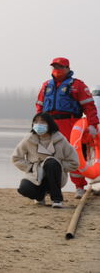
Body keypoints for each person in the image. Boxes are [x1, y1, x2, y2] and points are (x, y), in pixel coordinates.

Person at [35, 57, 99, 198]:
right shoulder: (46, 85)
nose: (56, 70)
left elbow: (89, 107)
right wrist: (38, 122)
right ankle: (47, 186)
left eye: (60, 67)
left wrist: (93, 124)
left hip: (71, 124)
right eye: (54, 67)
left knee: (73, 155)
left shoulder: (78, 86)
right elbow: (39, 105)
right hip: (49, 124)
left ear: (67, 68)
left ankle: (79, 186)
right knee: (47, 155)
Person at [12, 113, 79, 208]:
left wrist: (59, 166)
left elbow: (74, 162)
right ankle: (40, 196)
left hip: (55, 176)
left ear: (50, 124)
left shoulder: (60, 139)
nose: (38, 124)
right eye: (36, 122)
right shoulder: (29, 139)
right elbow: (16, 158)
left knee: (51, 162)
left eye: (42, 122)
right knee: (24, 189)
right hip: (36, 175)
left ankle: (57, 199)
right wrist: (30, 167)